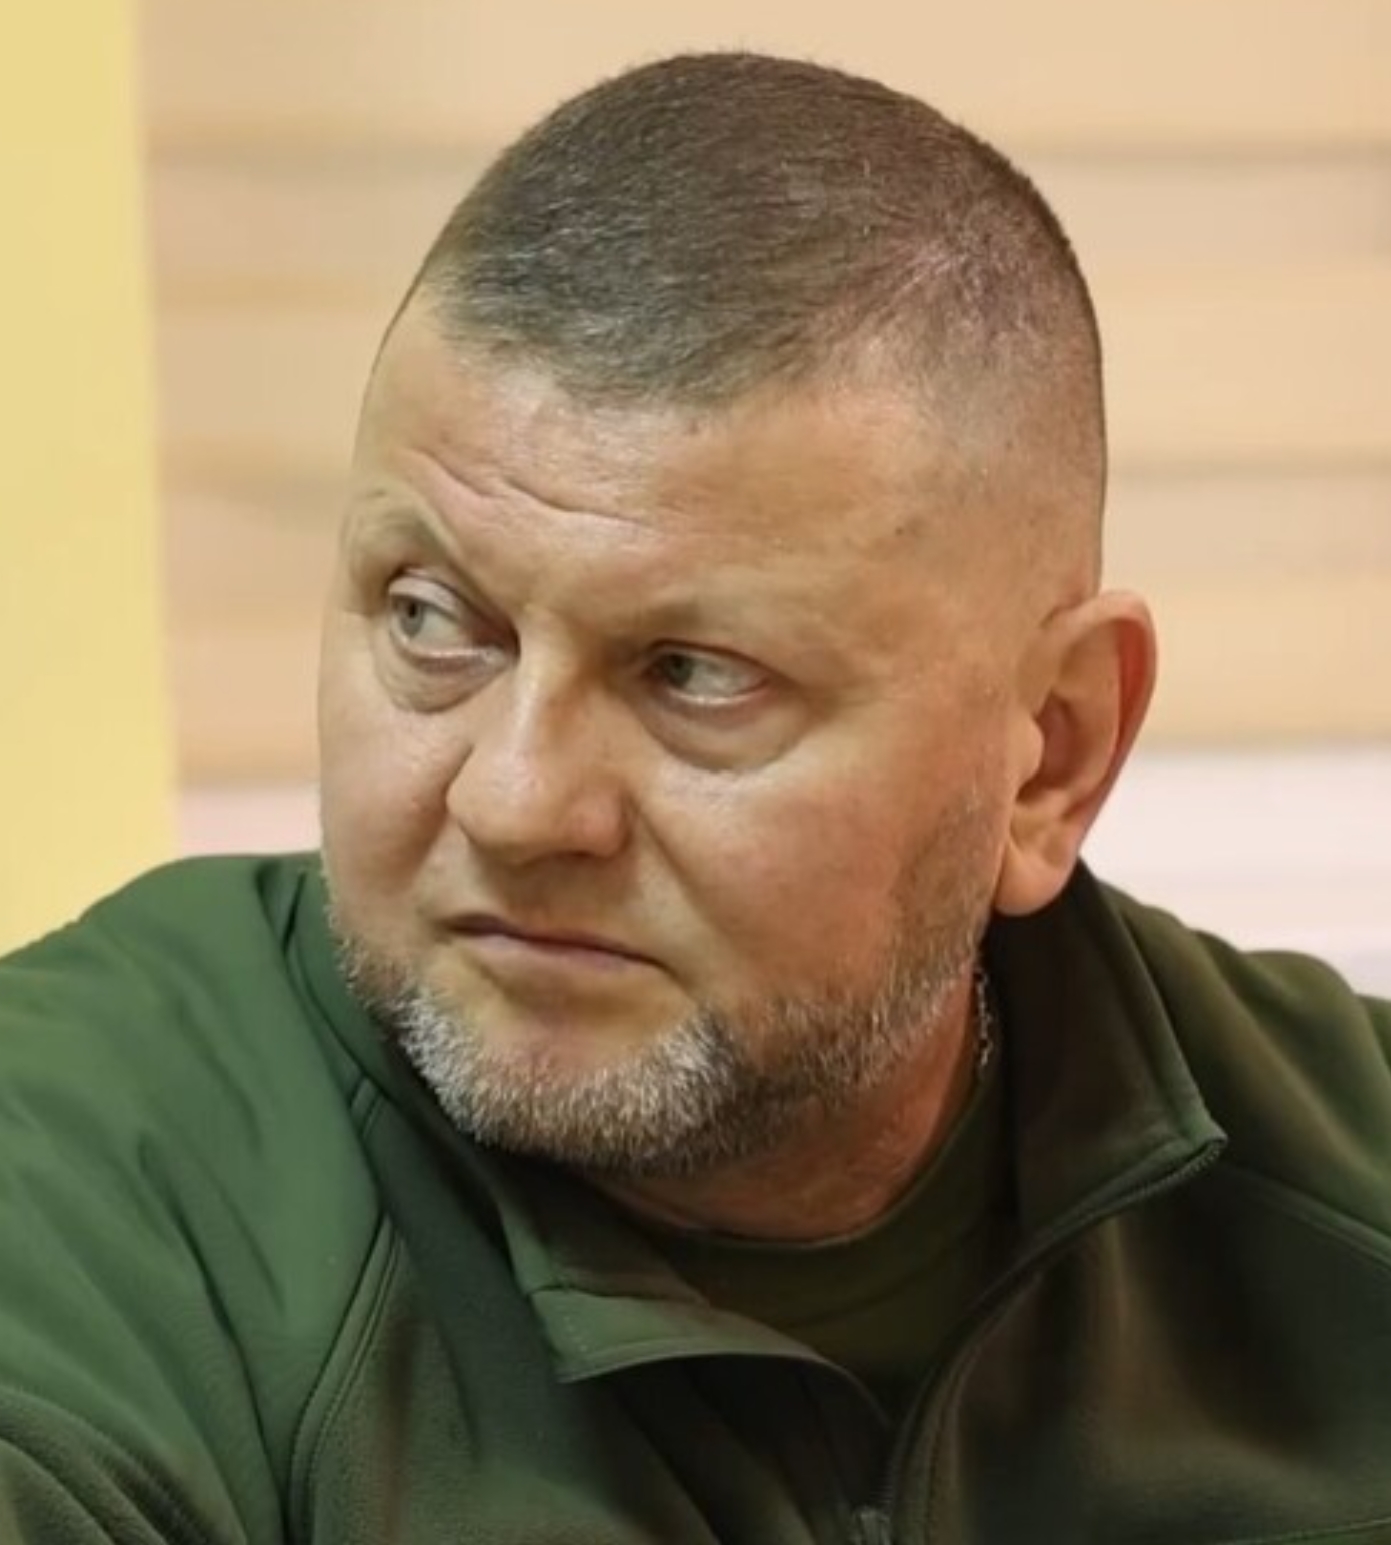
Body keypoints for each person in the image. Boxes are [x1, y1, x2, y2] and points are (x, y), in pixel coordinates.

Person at [1, 51, 1388, 1545]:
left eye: (696, 675)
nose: (517, 803)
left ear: (1048, 754)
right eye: (431, 618)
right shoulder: (91, 1175)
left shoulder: (1344, 1184)